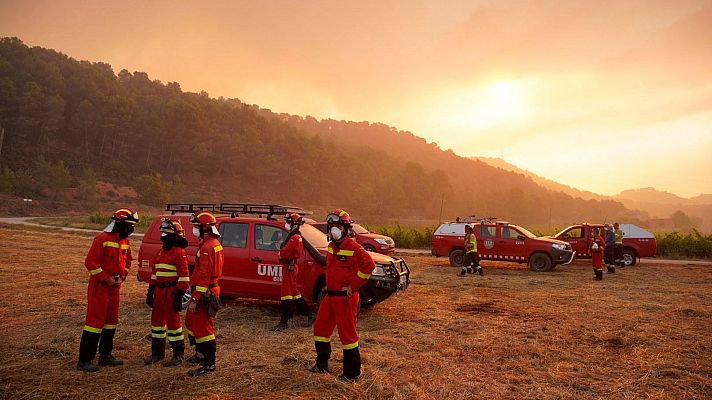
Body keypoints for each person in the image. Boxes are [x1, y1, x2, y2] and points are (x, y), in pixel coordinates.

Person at [310, 209, 375, 382]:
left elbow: (369, 266)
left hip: (345, 299)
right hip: (329, 297)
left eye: (338, 226)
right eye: (332, 227)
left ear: (346, 229)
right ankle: (322, 364)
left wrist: (353, 286)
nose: (334, 230)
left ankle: (352, 372)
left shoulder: (354, 248)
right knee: (320, 330)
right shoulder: (331, 247)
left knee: (348, 336)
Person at [77, 208, 139, 372]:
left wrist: (121, 277)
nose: (131, 229)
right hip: (100, 287)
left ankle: (105, 356)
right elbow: (90, 263)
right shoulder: (102, 239)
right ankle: (85, 360)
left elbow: (128, 262)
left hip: (115, 287)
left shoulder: (125, 241)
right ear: (120, 223)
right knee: (94, 323)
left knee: (111, 321)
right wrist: (106, 278)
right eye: (129, 225)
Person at [144, 219, 190, 366]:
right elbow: (154, 274)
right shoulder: (160, 252)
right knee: (156, 323)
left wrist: (179, 297)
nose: (163, 237)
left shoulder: (179, 253)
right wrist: (150, 292)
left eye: (167, 234)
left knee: (174, 323)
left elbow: (184, 277)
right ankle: (157, 353)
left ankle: (178, 354)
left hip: (171, 292)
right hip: (159, 291)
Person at [185, 210, 224, 377]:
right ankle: (201, 355)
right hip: (207, 289)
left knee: (204, 329)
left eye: (196, 226)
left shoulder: (208, 247)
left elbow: (203, 276)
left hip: (205, 291)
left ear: (205, 228)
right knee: (192, 323)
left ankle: (209, 365)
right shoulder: (212, 244)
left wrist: (195, 299)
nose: (194, 229)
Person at [271, 213, 317, 331]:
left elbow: (284, 252)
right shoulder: (295, 236)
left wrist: (280, 254)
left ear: (293, 223)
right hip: (290, 267)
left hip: (290, 267)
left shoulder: (294, 237)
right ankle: (310, 314)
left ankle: (284, 321)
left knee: (286, 294)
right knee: (295, 293)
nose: (286, 224)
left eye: (288, 221)